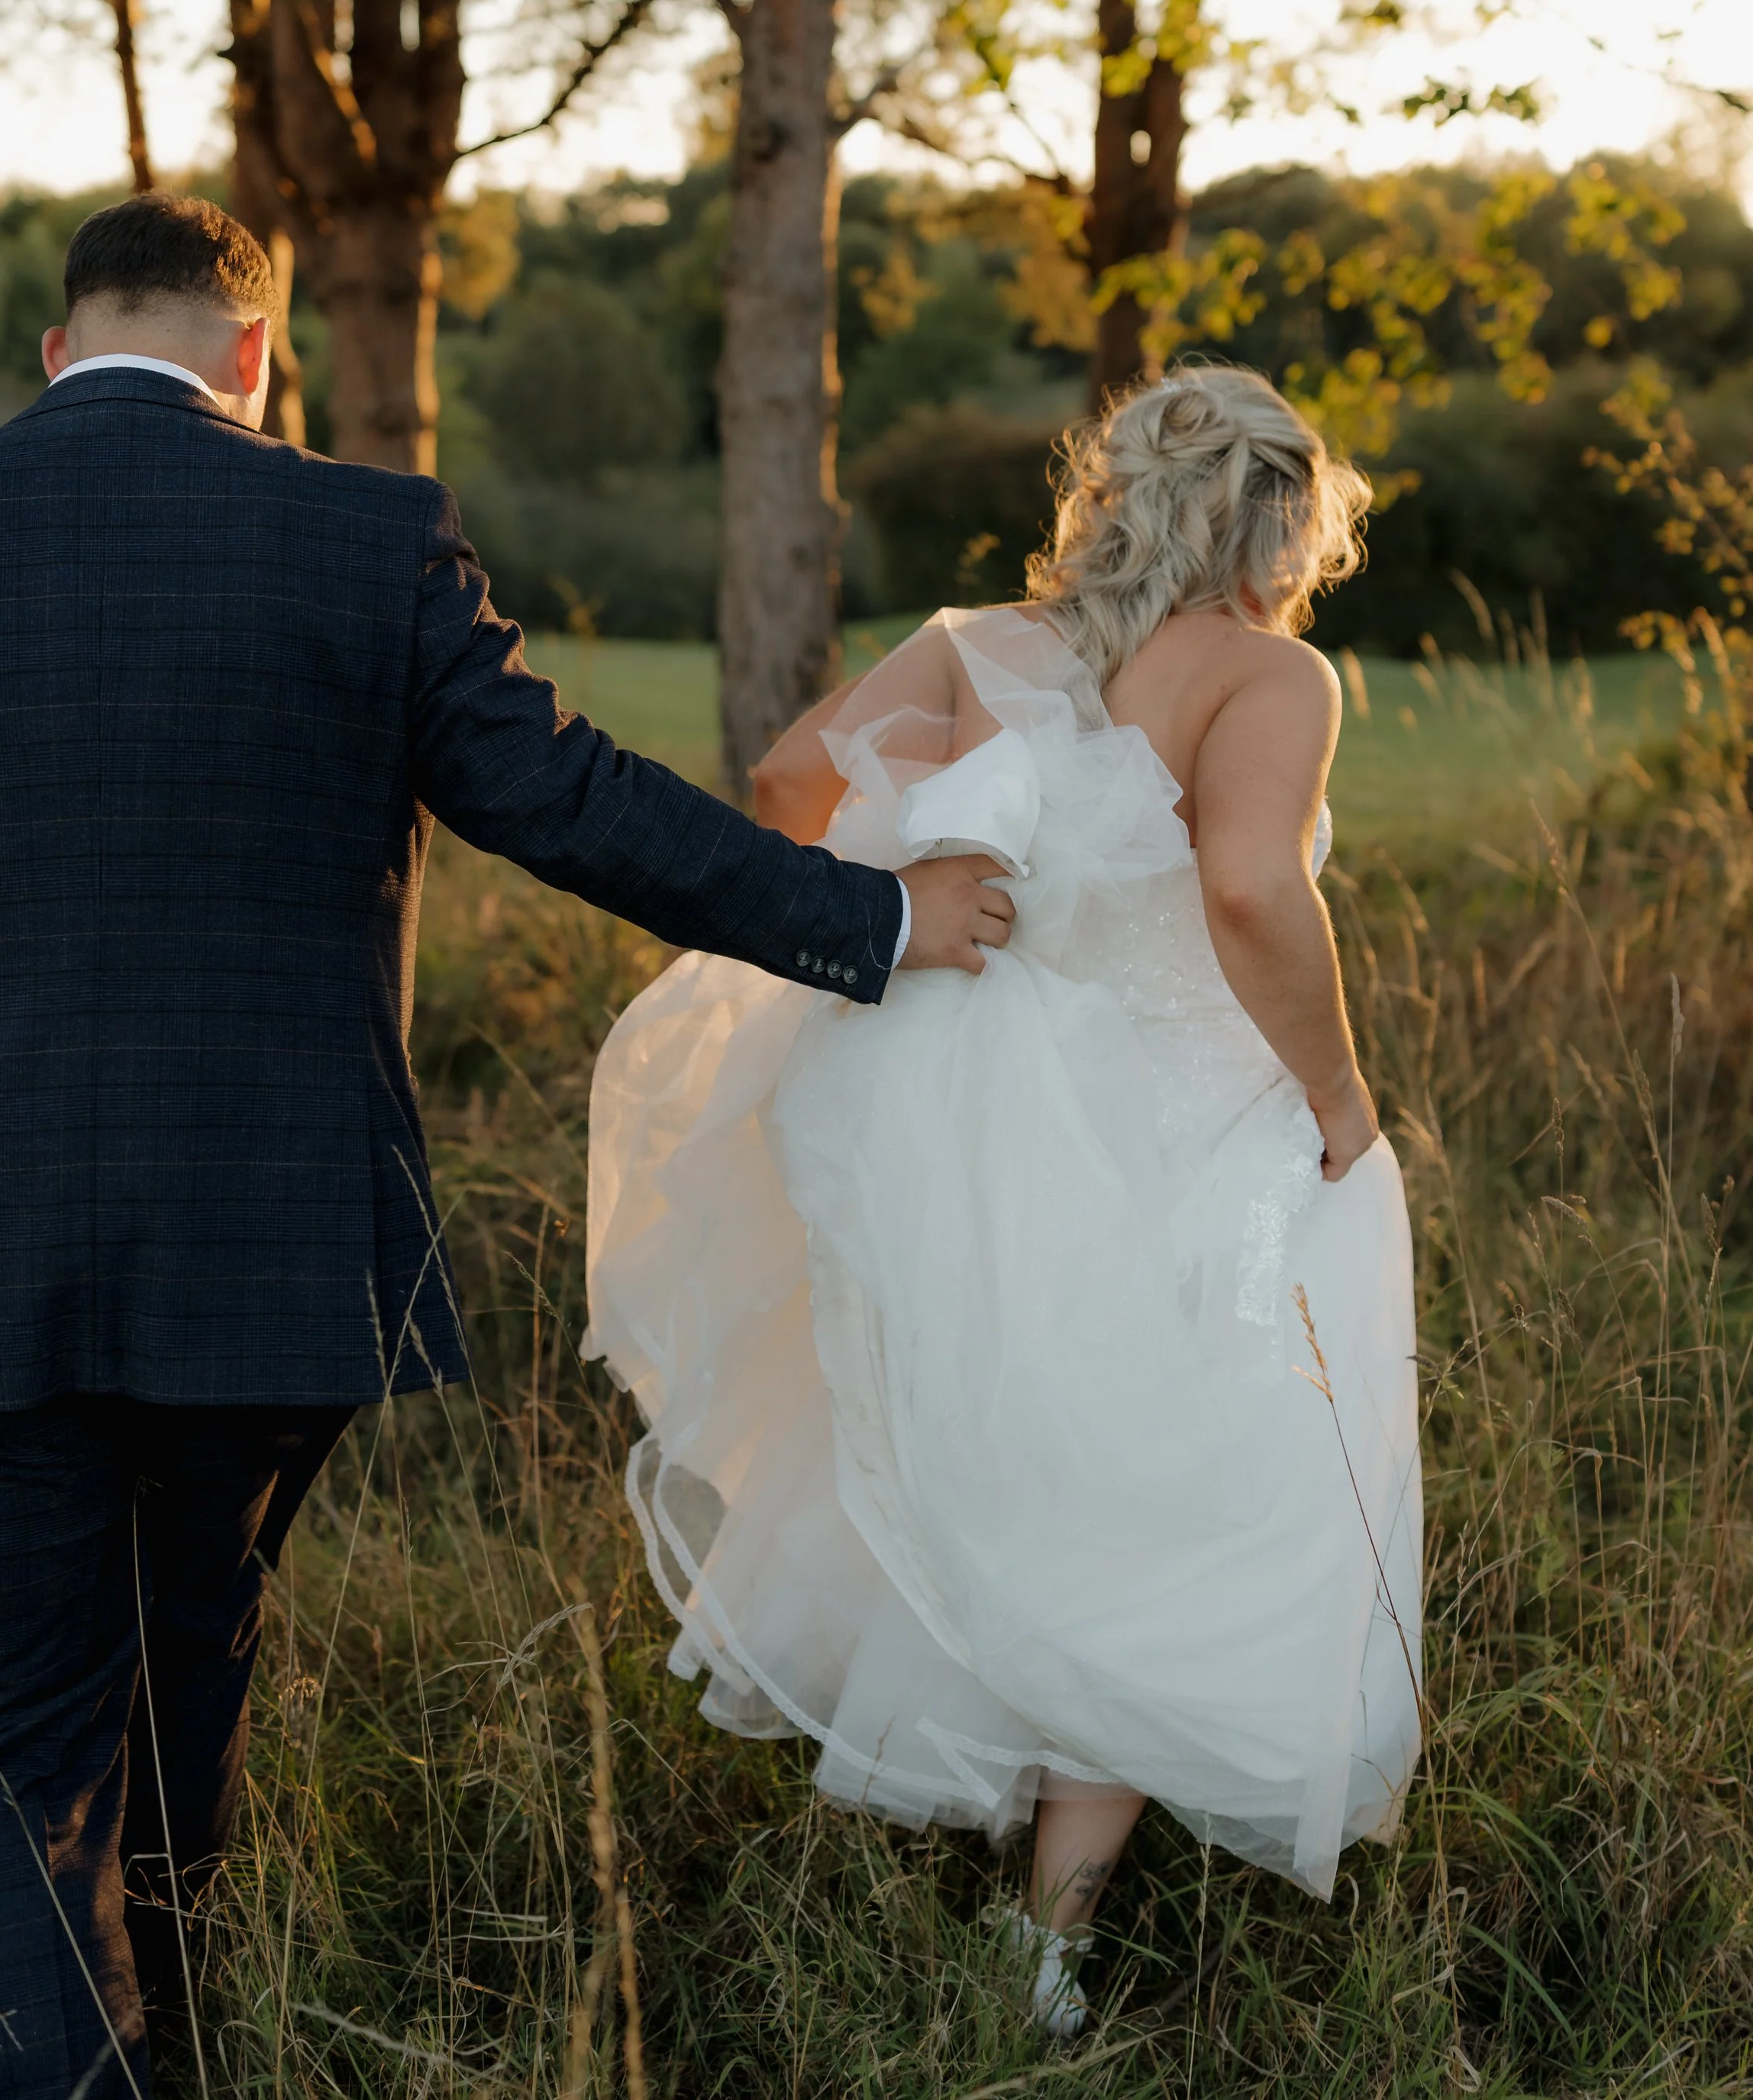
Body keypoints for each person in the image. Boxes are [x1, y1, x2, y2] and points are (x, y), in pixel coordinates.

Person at [0, 192, 1009, 2100]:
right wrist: (864, 921)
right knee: (179, 1695)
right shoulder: (358, 532)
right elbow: (570, 805)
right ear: (255, 357)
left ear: (52, 353)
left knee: (4, 1758)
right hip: (262, 1255)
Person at [587, 363, 1422, 2038]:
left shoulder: (975, 648)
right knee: (1157, 1491)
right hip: (1165, 1127)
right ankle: (1043, 1945)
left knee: (996, 1448)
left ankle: (995, 1860)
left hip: (942, 1110)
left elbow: (779, 787)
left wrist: (897, 893)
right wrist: (1338, 1100)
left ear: (1111, 496)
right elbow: (1250, 886)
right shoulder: (1269, 674)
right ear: (1274, 520)